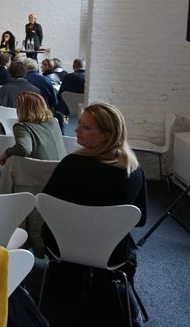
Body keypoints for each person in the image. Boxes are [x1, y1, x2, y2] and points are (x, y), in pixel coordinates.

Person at [41, 103, 147, 319]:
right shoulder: (133, 170)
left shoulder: (71, 164)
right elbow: (140, 219)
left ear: (106, 135)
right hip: (110, 251)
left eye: (86, 127)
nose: (77, 129)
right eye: (80, 123)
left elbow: (46, 206)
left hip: (63, 244)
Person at [0, 91, 67, 166]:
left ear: (22, 109)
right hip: (61, 167)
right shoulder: (53, 122)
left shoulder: (22, 127)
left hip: (40, 169)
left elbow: (23, 148)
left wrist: (7, 153)